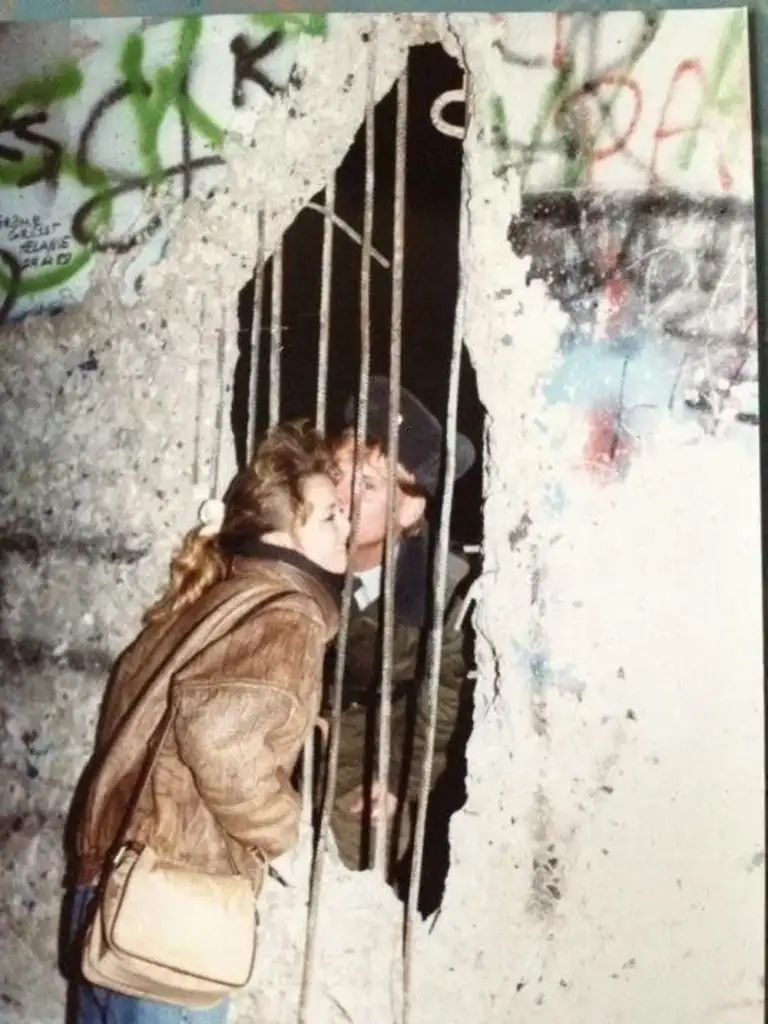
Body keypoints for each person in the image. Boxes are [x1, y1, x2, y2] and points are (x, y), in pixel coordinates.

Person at [63, 421, 349, 1024]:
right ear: (281, 535)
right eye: (328, 517)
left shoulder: (210, 598)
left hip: (106, 889)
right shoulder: (288, 615)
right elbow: (221, 741)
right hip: (169, 910)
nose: (346, 526)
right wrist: (280, 832)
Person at [321, 376, 477, 900]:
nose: (340, 494)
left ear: (409, 509)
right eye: (335, 471)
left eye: (366, 484)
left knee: (351, 860)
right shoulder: (286, 543)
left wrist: (399, 783)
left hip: (373, 739)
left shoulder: (439, 588)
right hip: (288, 728)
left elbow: (442, 697)